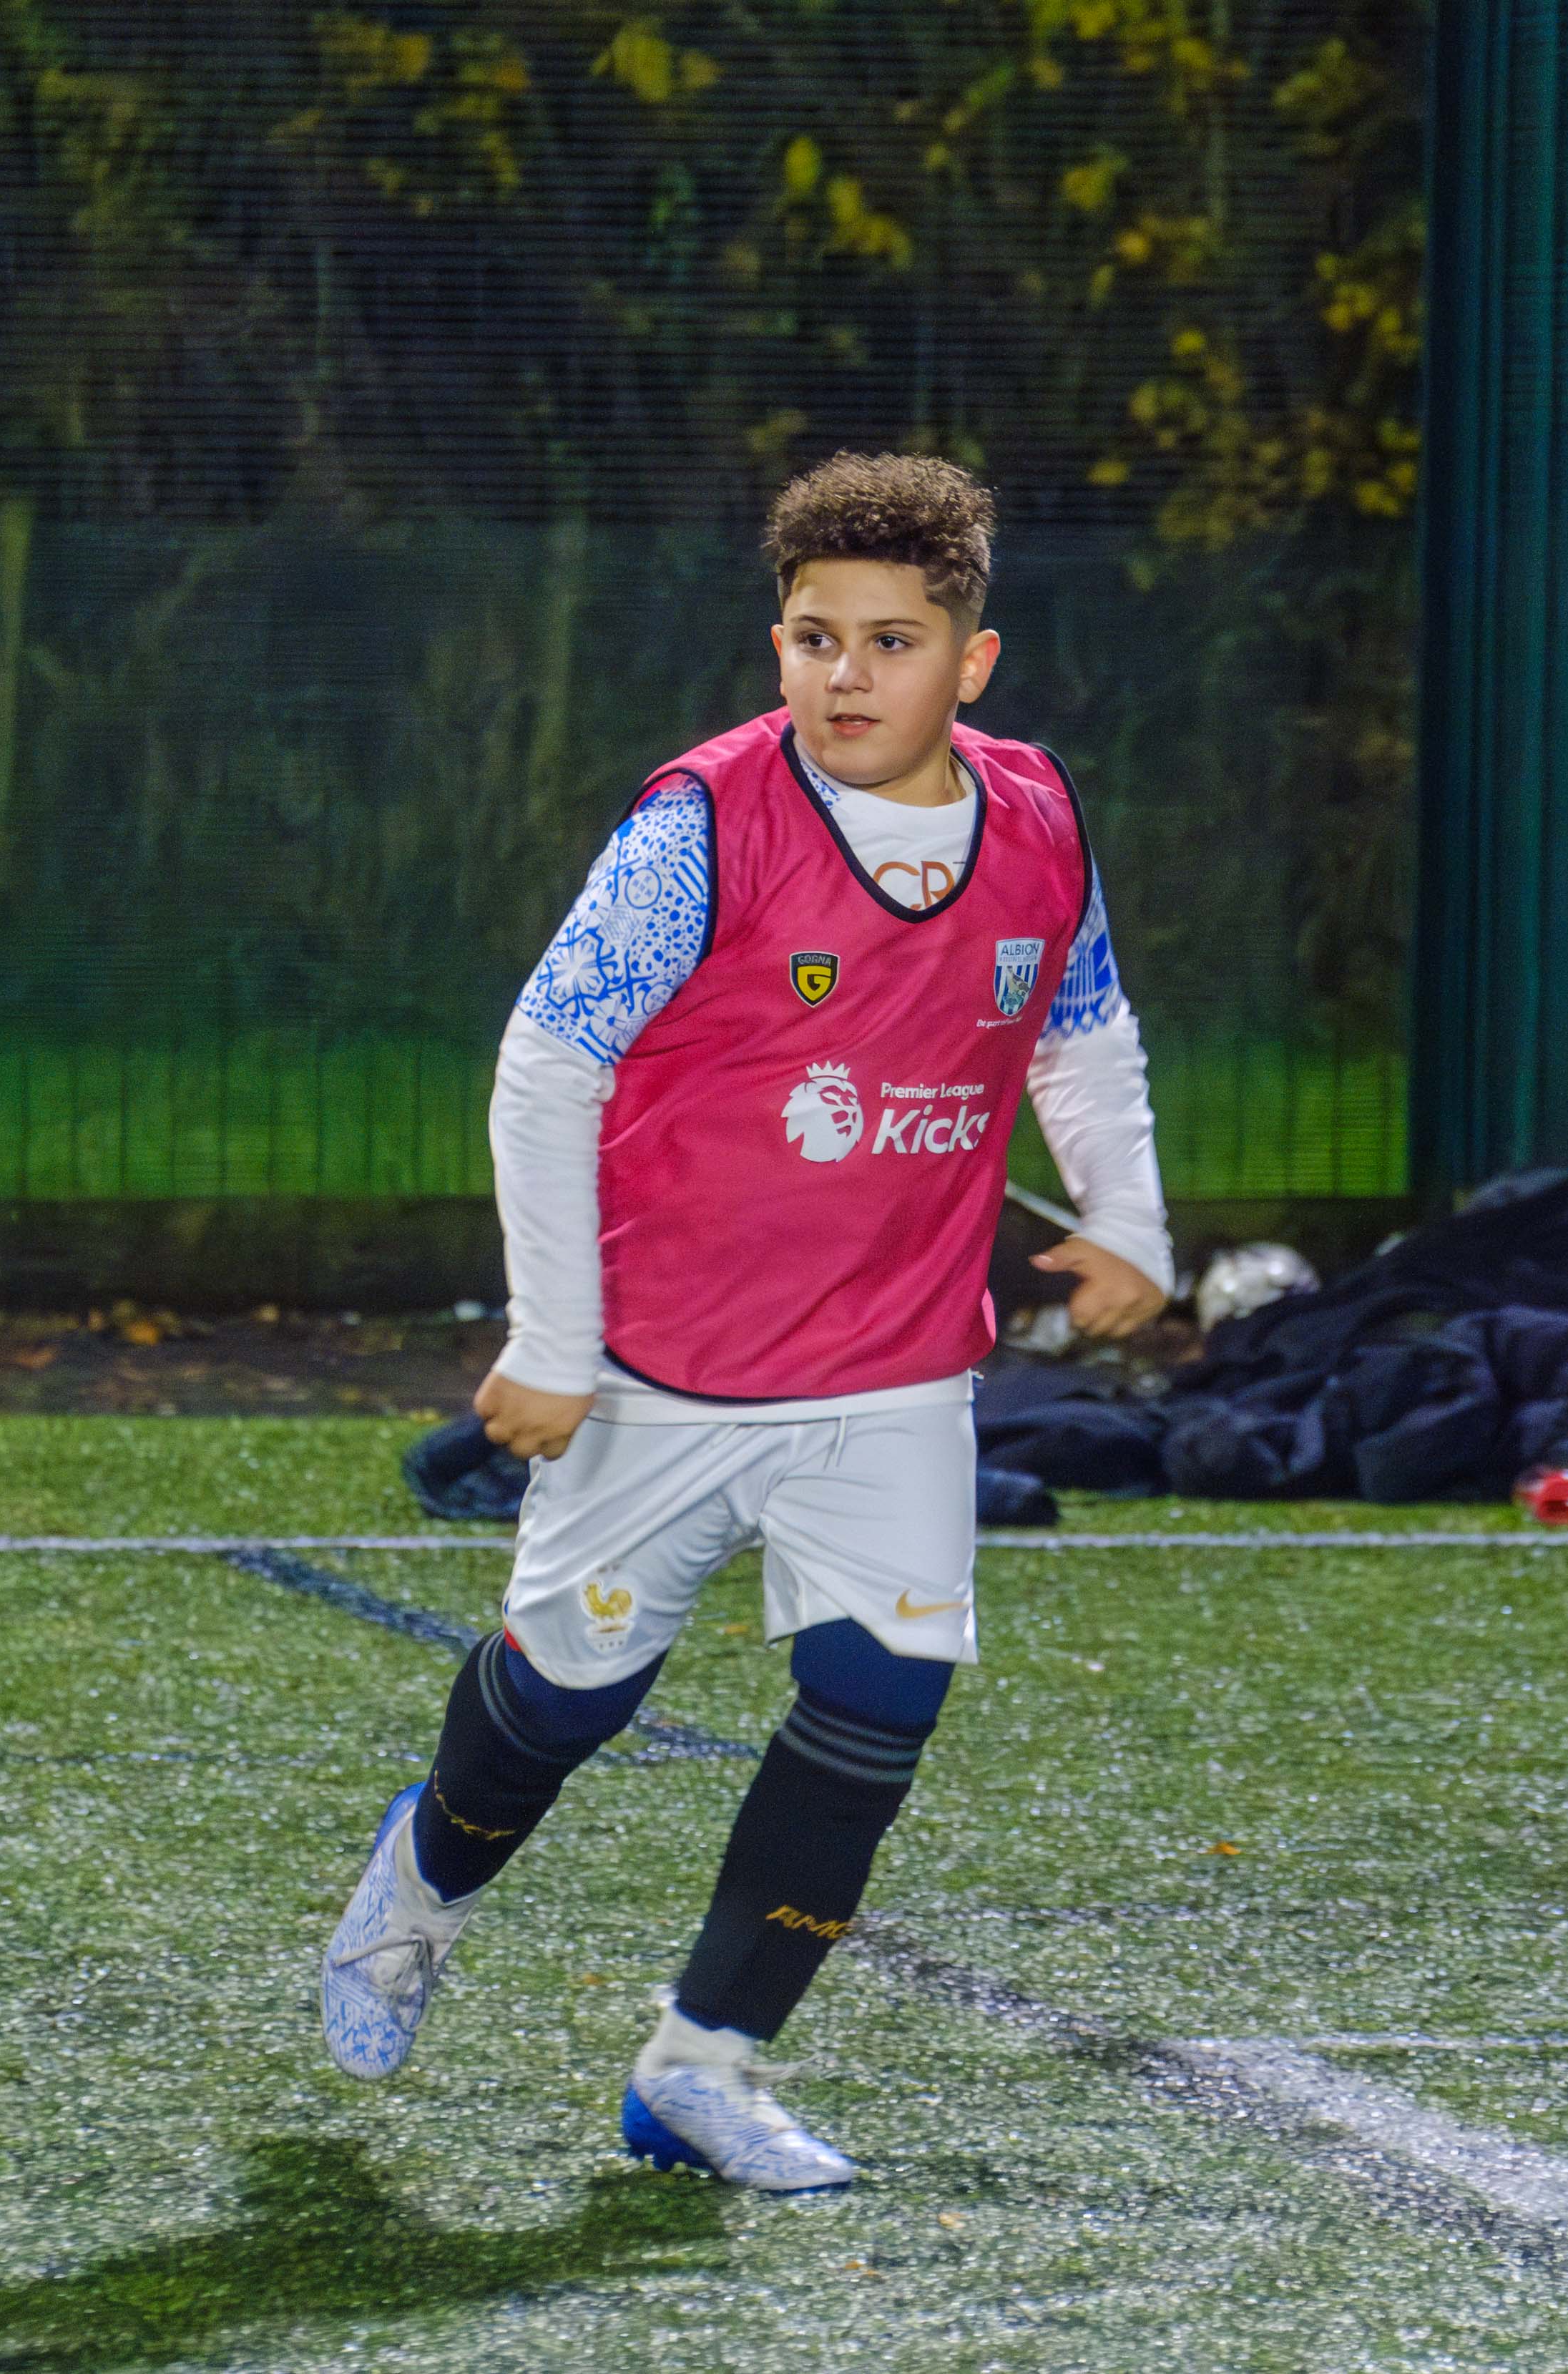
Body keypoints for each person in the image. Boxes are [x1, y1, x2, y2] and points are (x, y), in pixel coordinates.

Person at [320, 451, 1173, 2191]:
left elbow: (1082, 1025)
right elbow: (546, 1064)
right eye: (809, 638)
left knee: (880, 1705)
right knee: (561, 1705)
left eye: (889, 640)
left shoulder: (1039, 820)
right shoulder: (698, 828)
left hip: (893, 1378)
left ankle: (700, 2068)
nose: (844, 676)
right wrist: (556, 1344)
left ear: (973, 662)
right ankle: (422, 1880)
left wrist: (1127, 1225)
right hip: (668, 1375)